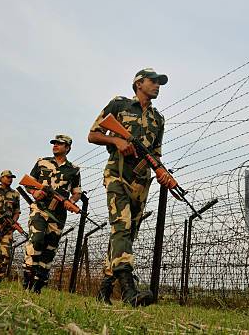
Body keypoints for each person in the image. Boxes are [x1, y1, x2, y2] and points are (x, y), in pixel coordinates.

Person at [87, 68, 173, 307]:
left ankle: (104, 290)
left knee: (125, 235)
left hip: (141, 182)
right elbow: (93, 134)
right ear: (139, 83)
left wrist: (162, 172)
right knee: (122, 226)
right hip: (117, 174)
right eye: (153, 82)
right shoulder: (120, 105)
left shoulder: (158, 119)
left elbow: (155, 154)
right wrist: (116, 140)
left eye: (159, 83)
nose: (157, 86)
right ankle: (128, 291)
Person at [22, 135, 81, 293]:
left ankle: (38, 283)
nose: (55, 146)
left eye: (59, 144)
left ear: (67, 148)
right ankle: (28, 276)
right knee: (36, 240)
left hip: (59, 214)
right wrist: (34, 192)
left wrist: (71, 202)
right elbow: (28, 182)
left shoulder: (74, 169)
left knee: (50, 248)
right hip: (39, 209)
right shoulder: (42, 162)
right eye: (54, 143)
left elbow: (76, 192)